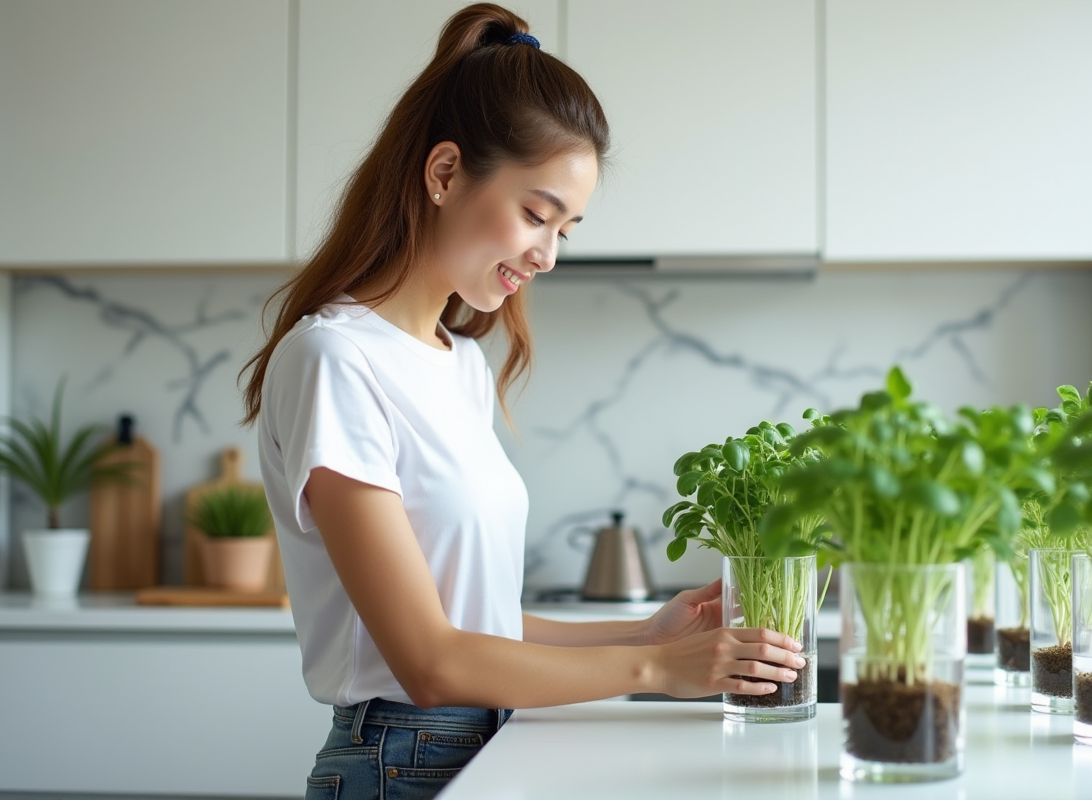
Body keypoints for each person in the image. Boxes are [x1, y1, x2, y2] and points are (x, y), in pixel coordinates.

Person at [240, 4, 804, 798]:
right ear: (443, 174)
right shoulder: (335, 360)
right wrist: (653, 668)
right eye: (536, 214)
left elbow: (477, 623)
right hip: (402, 759)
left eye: (565, 230)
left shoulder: (459, 363)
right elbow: (431, 662)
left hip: (494, 739)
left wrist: (645, 630)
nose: (544, 255)